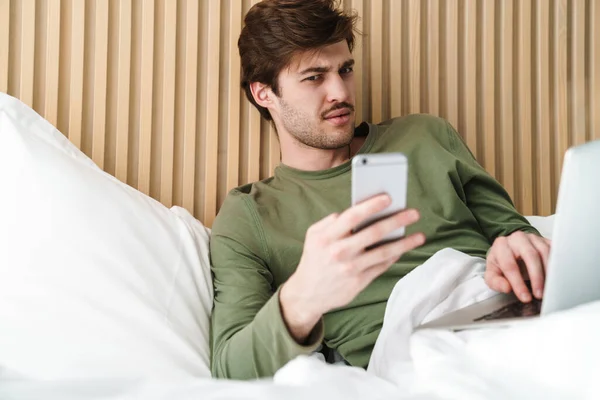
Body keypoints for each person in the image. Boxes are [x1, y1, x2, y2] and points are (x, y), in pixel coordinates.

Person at [209, 0, 551, 380]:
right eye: (314, 77)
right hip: (419, 355)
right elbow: (229, 366)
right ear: (264, 94)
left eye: (346, 69)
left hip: (503, 308)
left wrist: (517, 245)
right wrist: (303, 297)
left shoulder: (426, 135)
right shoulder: (251, 214)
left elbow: (513, 231)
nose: (340, 91)